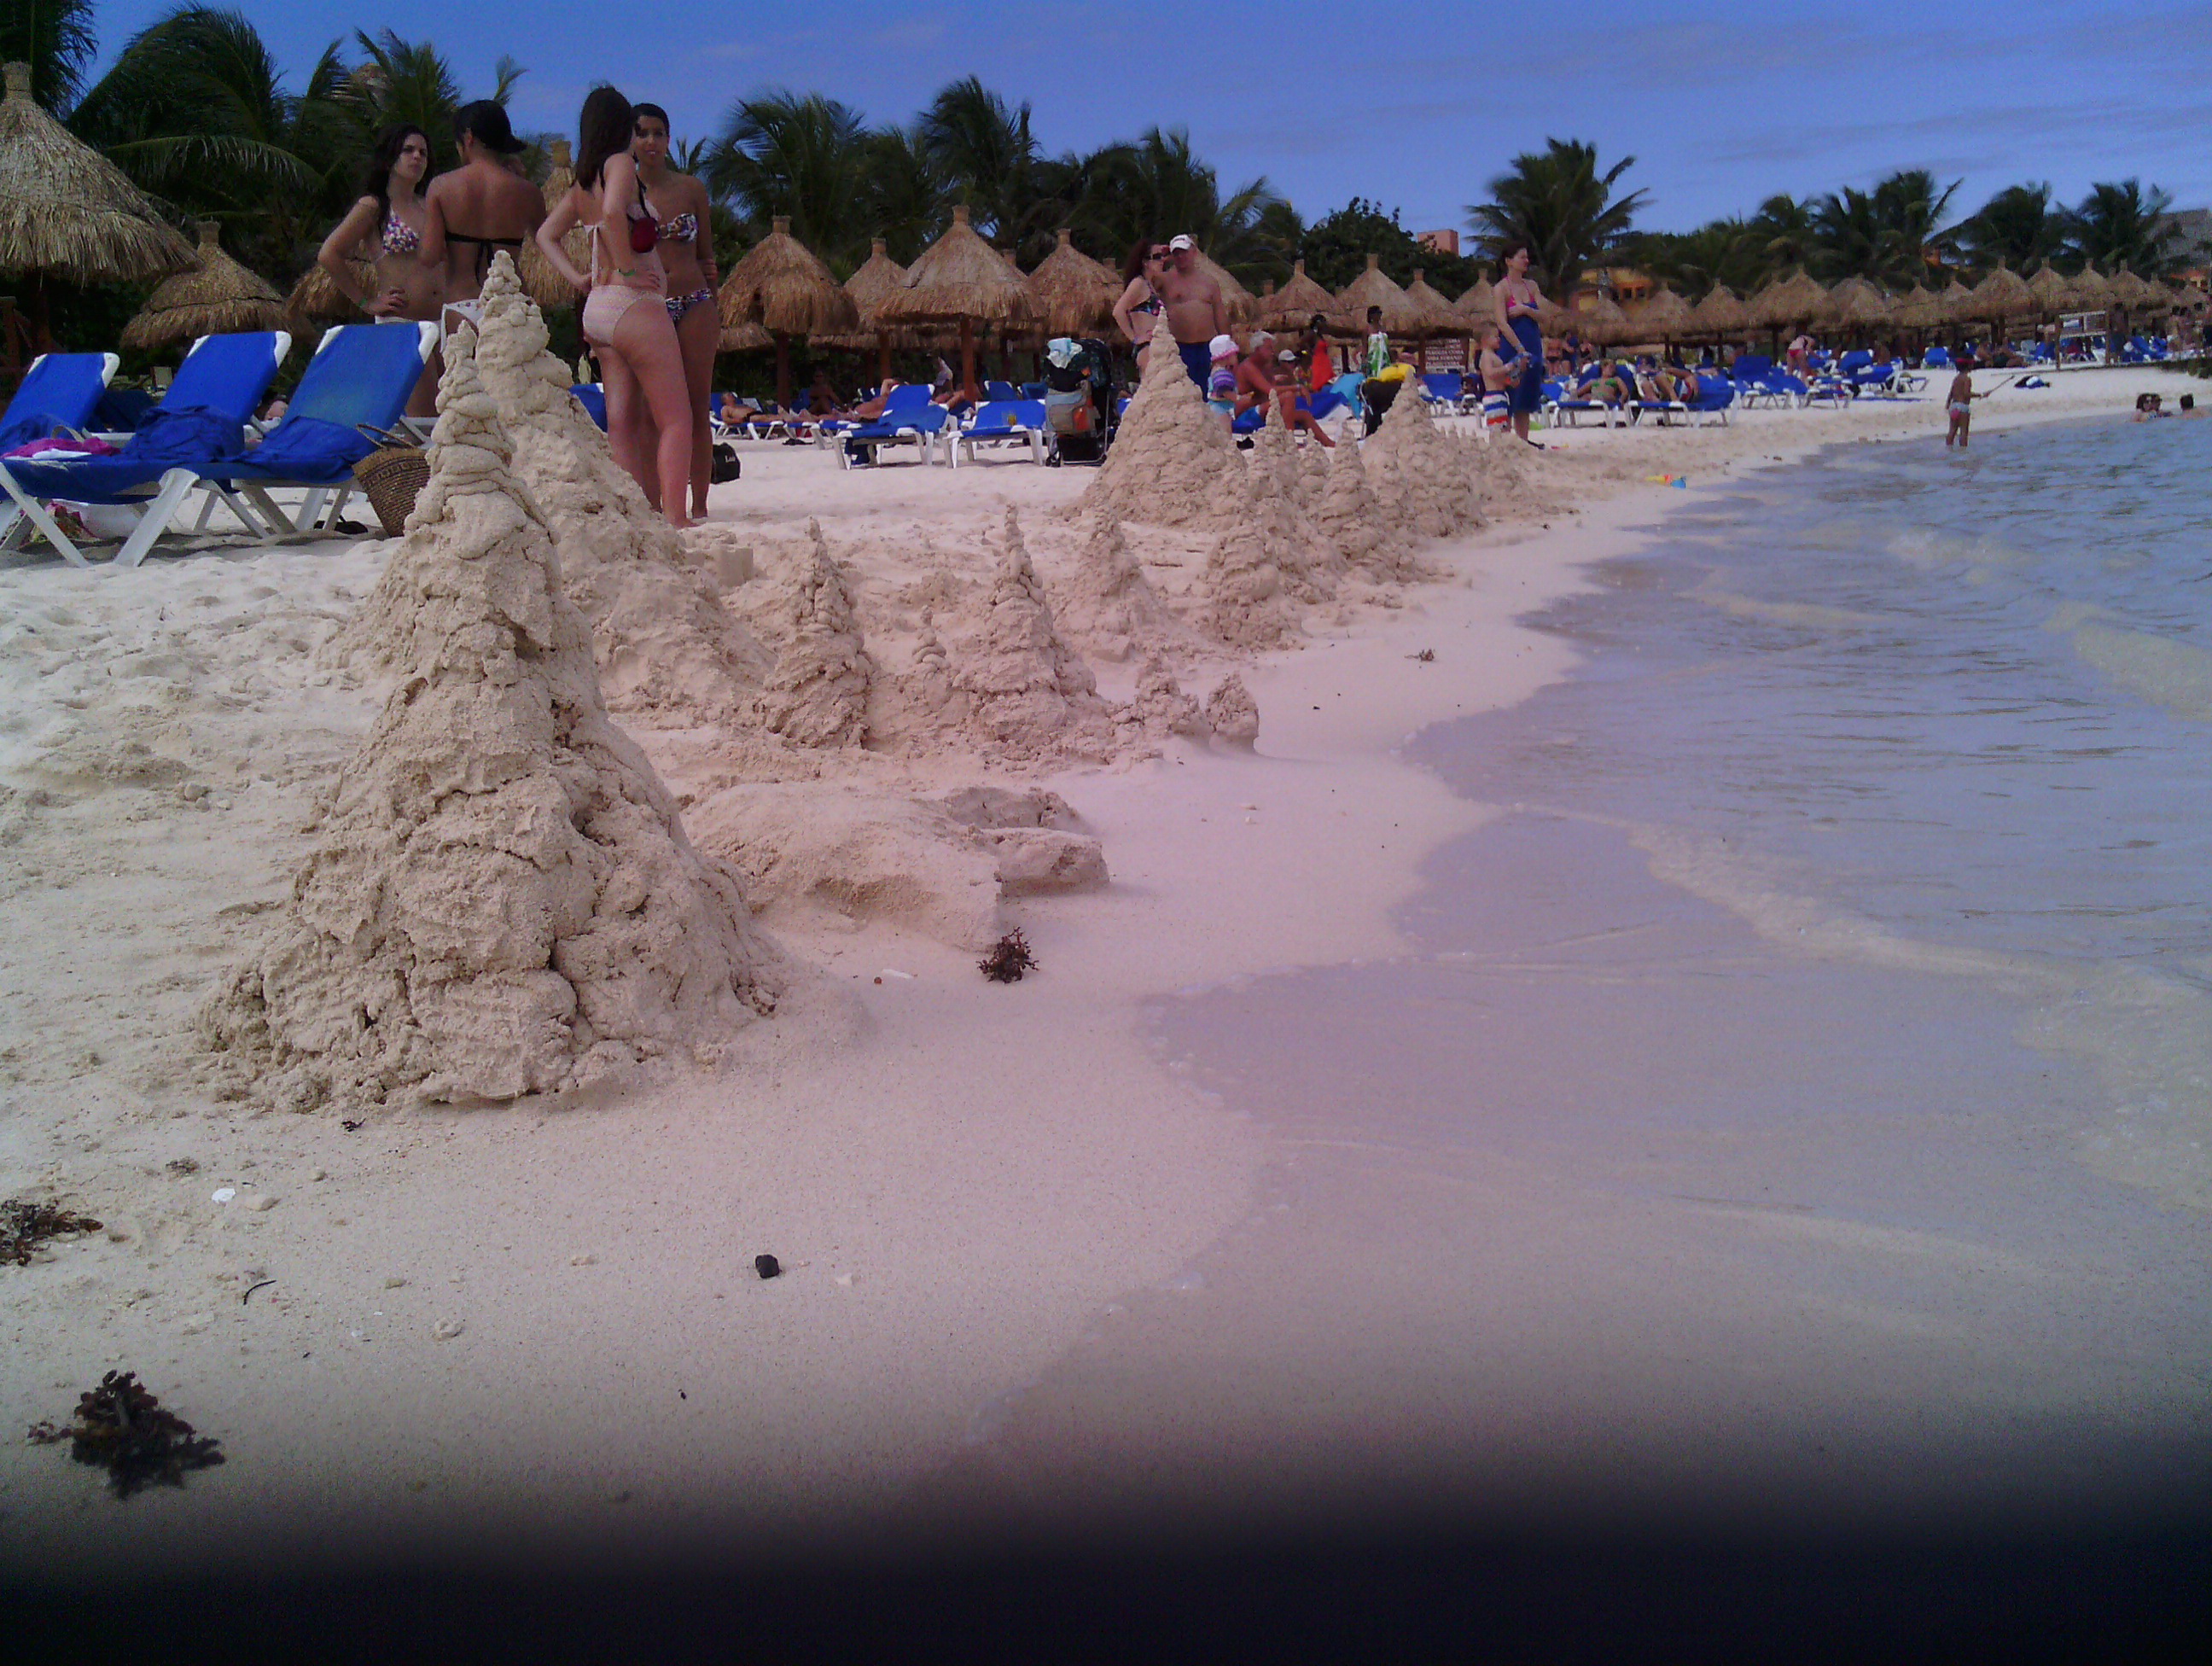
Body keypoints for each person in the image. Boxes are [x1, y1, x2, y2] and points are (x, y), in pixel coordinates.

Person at [535, 85, 692, 527]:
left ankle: (634, 517)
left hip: (599, 308)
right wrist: (626, 268)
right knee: (676, 418)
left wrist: (577, 278)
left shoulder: (580, 184)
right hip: (633, 303)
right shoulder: (619, 164)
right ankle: (676, 518)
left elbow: (546, 235)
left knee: (621, 422)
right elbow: (611, 212)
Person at [315, 124, 445, 416]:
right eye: (408, 150)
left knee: (450, 420)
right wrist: (366, 302)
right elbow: (329, 254)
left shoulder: (429, 205)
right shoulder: (374, 206)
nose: (417, 157)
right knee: (424, 421)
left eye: (423, 152)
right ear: (390, 158)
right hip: (403, 325)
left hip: (442, 322)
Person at [632, 102, 720, 520]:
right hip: (648, 305)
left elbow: (707, 256)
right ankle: (656, 506)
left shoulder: (691, 189)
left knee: (698, 407)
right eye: (642, 133)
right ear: (630, 140)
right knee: (651, 413)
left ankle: (699, 505)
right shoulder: (622, 191)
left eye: (658, 133)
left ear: (668, 139)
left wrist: (714, 302)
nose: (651, 141)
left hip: (694, 299)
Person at [422, 100, 544, 312]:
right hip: (513, 303)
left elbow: (429, 257)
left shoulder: (442, 186)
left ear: (468, 137)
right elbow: (546, 242)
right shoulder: (528, 191)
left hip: (463, 302)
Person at [1155, 233, 1231, 390]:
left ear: (1194, 252)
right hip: (1178, 346)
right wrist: (1158, 256)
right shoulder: (1164, 280)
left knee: (1208, 391)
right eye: (1176, 253)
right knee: (1180, 391)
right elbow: (1143, 280)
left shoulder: (1209, 282)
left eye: (1184, 252)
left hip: (1206, 347)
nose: (1181, 257)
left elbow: (1220, 315)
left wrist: (1228, 345)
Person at [1492, 245, 1550, 442]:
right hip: (1512, 347)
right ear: (1509, 261)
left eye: (1527, 257)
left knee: (1526, 397)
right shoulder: (1501, 289)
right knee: (1511, 394)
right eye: (1522, 257)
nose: (1526, 261)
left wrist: (1525, 309)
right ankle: (1506, 442)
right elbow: (1501, 323)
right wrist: (1520, 349)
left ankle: (1523, 442)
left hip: (1533, 345)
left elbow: (1545, 315)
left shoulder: (1532, 286)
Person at [1111, 237, 1169, 374]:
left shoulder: (1149, 284)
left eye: (1162, 256)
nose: (1162, 260)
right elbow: (1118, 311)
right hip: (1147, 349)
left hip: (1156, 347)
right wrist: (1135, 338)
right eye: (1157, 257)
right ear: (1145, 262)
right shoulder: (1139, 283)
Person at [1475, 324, 1519, 432]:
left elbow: (1498, 378)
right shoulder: (1486, 356)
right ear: (1485, 340)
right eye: (1495, 337)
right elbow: (1490, 373)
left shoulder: (1494, 356)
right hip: (1493, 396)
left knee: (1504, 426)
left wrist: (1510, 381)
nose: (1499, 339)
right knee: (1497, 428)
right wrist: (1506, 368)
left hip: (1500, 394)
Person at [1945, 360, 1989, 448]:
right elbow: (1966, 394)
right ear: (1968, 366)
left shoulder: (1956, 378)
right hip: (1963, 408)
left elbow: (1951, 393)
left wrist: (1948, 404)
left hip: (1954, 407)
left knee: (1952, 431)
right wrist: (1980, 395)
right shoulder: (1967, 379)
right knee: (1964, 431)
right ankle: (1963, 451)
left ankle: (1948, 449)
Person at [1204, 335, 1240, 430]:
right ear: (1225, 357)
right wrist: (1239, 399)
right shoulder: (1221, 374)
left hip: (1220, 409)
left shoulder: (1217, 370)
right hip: (1220, 410)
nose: (1236, 357)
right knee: (1225, 433)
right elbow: (1224, 391)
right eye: (1234, 354)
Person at [1305, 313, 1336, 392]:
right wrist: (1308, 352)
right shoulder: (1312, 334)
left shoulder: (1320, 335)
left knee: (1327, 385)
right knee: (1319, 385)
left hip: (1325, 363)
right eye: (1323, 322)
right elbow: (1301, 343)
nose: (1325, 324)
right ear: (1318, 323)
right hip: (1318, 363)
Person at [1361, 306, 1391, 379]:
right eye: (1378, 313)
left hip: (1384, 358)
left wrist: (1392, 359)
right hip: (1373, 359)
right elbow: (1364, 346)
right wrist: (1364, 360)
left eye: (1380, 313)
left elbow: (1387, 346)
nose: (1380, 315)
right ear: (1371, 315)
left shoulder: (1383, 328)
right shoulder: (1367, 329)